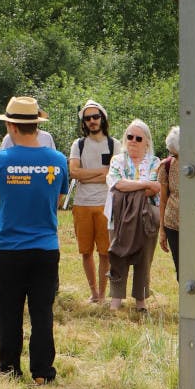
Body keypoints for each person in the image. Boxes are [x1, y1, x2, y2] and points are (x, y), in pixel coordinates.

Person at [0, 95, 68, 383]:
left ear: (12, 126)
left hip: (9, 248)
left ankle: (9, 370)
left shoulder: (0, 159)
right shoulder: (58, 160)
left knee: (9, 312)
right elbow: (58, 200)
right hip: (45, 247)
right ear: (36, 125)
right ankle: (42, 372)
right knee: (42, 312)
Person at [68, 100, 120, 303]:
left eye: (95, 117)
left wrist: (85, 174)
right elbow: (73, 172)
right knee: (86, 251)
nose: (92, 121)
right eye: (87, 118)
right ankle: (94, 293)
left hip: (106, 204)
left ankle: (103, 292)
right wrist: (101, 172)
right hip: (82, 204)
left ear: (103, 118)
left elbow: (114, 175)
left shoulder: (114, 144)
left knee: (105, 252)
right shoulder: (78, 144)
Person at [106, 119, 160, 313]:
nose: (133, 141)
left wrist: (132, 187)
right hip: (117, 218)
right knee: (118, 254)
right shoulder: (117, 160)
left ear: (147, 141)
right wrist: (143, 184)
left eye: (138, 138)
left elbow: (155, 188)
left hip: (147, 218)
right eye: (130, 137)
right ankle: (116, 299)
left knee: (144, 258)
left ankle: (141, 301)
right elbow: (116, 184)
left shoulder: (155, 162)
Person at [158, 125, 181, 281]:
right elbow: (163, 199)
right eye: (173, 154)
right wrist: (162, 229)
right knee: (181, 268)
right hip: (173, 225)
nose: (174, 158)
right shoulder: (166, 166)